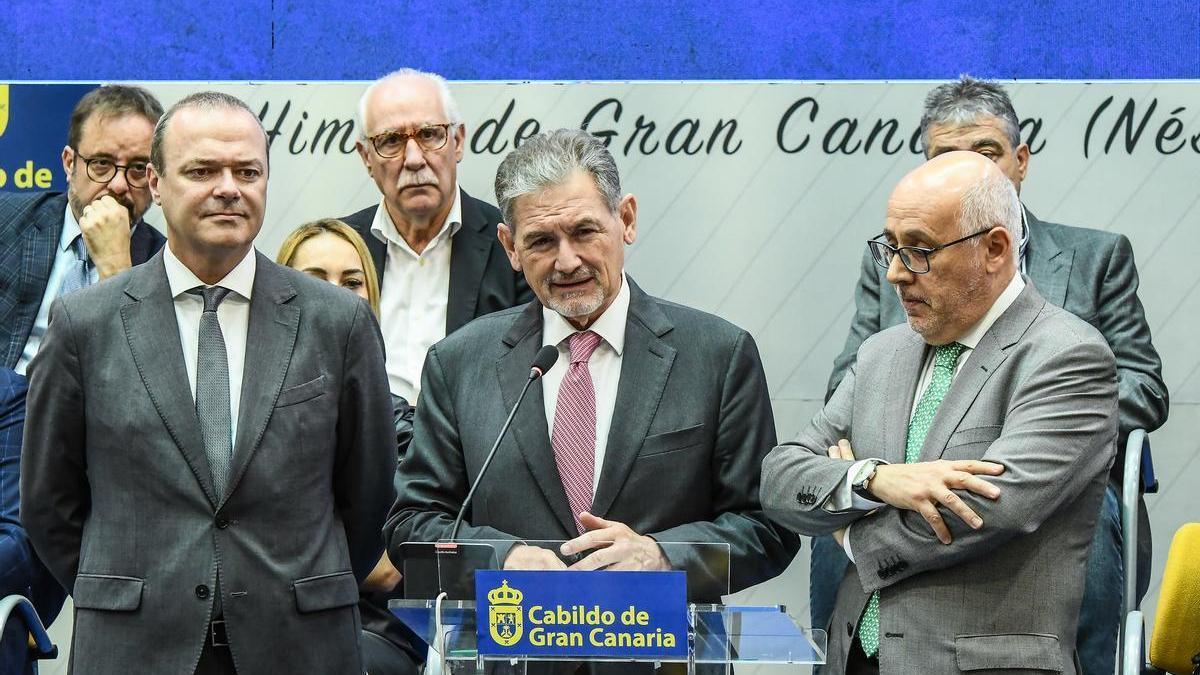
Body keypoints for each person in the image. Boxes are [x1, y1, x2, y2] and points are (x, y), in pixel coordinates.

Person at [21, 91, 395, 674]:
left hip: (299, 646)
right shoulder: (83, 325)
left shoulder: (338, 322)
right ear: (156, 182)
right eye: (202, 170)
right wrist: (135, 593)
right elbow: (49, 505)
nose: (229, 187)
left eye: (248, 171)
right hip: (136, 647)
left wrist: (295, 591)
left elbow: (369, 498)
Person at [815, 76, 1168, 675]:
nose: (967, 170)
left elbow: (1143, 385)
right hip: (903, 468)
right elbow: (847, 383)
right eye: (943, 157)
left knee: (1091, 513)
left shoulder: (1094, 257)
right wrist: (873, 474)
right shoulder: (896, 263)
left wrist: (1036, 417)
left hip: (1050, 467)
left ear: (1020, 160)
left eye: (984, 152)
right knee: (838, 505)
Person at [385, 128, 796, 606]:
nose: (566, 261)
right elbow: (412, 527)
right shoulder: (459, 364)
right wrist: (502, 559)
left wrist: (662, 557)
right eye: (540, 241)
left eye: (584, 231)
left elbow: (769, 529)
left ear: (626, 219)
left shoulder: (718, 355)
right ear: (510, 248)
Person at [762, 151, 1118, 674]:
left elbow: (989, 510)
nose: (893, 274)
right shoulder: (881, 353)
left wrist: (851, 536)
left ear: (994, 248)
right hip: (854, 659)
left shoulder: (1067, 356)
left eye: (919, 251)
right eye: (890, 246)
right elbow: (780, 476)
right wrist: (872, 480)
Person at [0, 84, 165, 671]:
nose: (119, 185)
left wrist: (115, 266)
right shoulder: (11, 221)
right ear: (69, 165)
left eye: (139, 169)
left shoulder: (167, 270)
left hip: (82, 461)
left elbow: (151, 396)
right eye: (102, 164)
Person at [277, 218, 421, 675]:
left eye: (352, 281)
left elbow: (393, 564)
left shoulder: (403, 421)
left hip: (374, 633)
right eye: (313, 279)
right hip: (257, 623)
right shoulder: (235, 405)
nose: (336, 294)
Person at [343, 68, 533, 403]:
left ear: (457, 141)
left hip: (470, 452)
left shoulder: (514, 245)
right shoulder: (341, 247)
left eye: (430, 135)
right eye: (391, 141)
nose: (414, 159)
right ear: (366, 158)